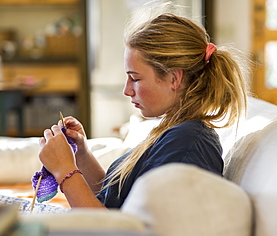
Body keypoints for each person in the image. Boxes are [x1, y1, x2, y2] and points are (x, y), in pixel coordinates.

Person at [38, 12, 248, 209]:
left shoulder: (187, 144)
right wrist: (81, 153)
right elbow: (114, 199)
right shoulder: (173, 131)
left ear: (174, 78)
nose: (127, 90)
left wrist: (64, 170)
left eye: (135, 79)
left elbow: (121, 232)